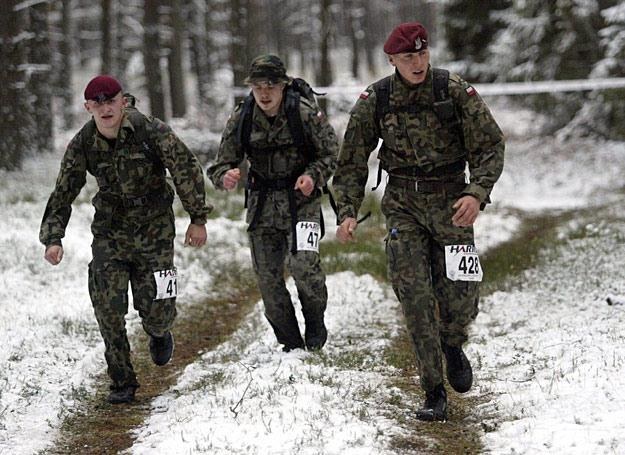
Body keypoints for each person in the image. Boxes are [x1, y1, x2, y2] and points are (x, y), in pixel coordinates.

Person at [332, 23, 504, 421]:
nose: (418, 62)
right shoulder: (376, 99)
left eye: (423, 54)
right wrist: (346, 212)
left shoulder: (453, 90)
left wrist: (476, 193)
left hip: (452, 202)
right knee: (414, 295)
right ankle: (432, 390)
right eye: (409, 56)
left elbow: (491, 145)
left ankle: (453, 342)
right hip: (403, 205)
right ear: (392, 59)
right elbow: (352, 160)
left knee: (460, 293)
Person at [39, 75, 212, 404]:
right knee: (107, 306)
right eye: (97, 104)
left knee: (158, 307)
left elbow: (186, 168)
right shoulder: (83, 143)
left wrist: (197, 218)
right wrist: (53, 237)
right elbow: (63, 191)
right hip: (111, 231)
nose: (105, 109)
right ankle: (122, 381)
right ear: (88, 107)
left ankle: (160, 331)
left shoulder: (150, 130)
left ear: (123, 101)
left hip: (155, 229)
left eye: (111, 101)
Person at [208, 55, 338, 352]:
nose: (264, 94)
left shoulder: (303, 113)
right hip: (262, 204)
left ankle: (315, 320)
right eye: (257, 87)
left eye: (271, 86)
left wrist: (312, 176)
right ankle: (290, 342)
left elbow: (331, 153)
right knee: (267, 278)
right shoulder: (242, 117)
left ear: (283, 86)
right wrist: (224, 177)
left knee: (304, 265)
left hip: (300, 201)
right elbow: (219, 164)